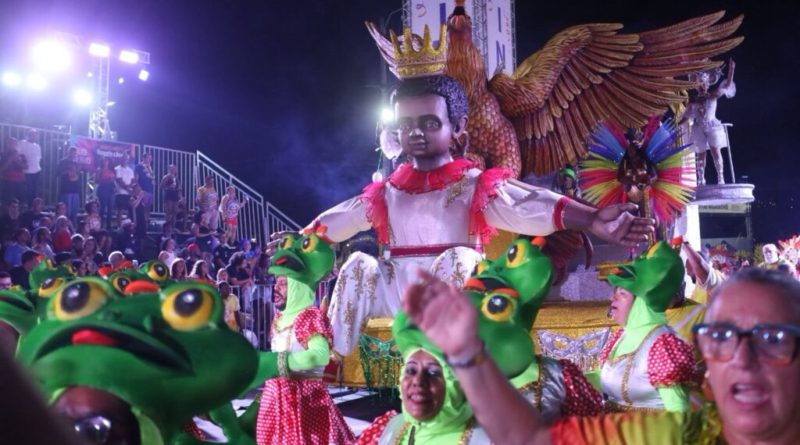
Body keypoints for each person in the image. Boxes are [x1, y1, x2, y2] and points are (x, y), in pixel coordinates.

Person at [298, 74, 653, 357]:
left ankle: (449, 362)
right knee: (358, 264)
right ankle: (331, 361)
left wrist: (591, 218)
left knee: (461, 258)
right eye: (406, 124)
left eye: (429, 123)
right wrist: (299, 241)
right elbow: (342, 218)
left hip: (452, 296)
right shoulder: (388, 192)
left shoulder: (471, 185)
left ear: (458, 127)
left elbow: (528, 202)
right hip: (396, 295)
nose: (415, 132)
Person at [402, 265, 800, 444]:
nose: (743, 359)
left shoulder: (661, 345)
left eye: (772, 338)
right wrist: (465, 351)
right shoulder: (681, 436)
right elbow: (530, 438)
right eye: (723, 337)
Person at [683, 60, 736, 185]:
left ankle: (720, 177)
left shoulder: (713, 95)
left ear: (707, 84)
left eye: (704, 83)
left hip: (712, 126)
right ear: (697, 86)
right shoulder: (693, 101)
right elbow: (686, 117)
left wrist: (731, 70)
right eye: (700, 84)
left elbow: (727, 86)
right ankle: (701, 179)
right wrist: (676, 125)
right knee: (701, 153)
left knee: (715, 151)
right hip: (698, 128)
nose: (702, 86)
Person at [16, 129, 41, 204]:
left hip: (36, 171)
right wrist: (21, 164)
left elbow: (39, 158)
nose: (33, 137)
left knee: (35, 191)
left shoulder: (37, 146)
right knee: (26, 191)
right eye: (31, 135)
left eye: (35, 135)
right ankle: (24, 207)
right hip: (26, 172)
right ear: (28, 135)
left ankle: (33, 207)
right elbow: (16, 155)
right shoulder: (22, 143)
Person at [57, 146, 81, 221]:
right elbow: (58, 173)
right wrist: (68, 171)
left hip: (75, 190)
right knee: (67, 211)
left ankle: (73, 225)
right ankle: (65, 225)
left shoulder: (76, 163)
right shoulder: (63, 161)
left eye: (75, 153)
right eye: (73, 153)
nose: (74, 154)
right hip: (66, 190)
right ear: (69, 152)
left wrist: (77, 171)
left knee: (74, 211)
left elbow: (77, 175)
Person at [0, 137, 26, 205]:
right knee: (6, 202)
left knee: (19, 201)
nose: (12, 145)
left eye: (14, 143)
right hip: (7, 181)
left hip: (19, 181)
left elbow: (26, 167)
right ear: (7, 144)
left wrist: (18, 161)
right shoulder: (2, 155)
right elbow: (1, 169)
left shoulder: (21, 155)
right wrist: (10, 159)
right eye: (10, 143)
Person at [134, 151, 154, 230]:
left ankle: (146, 224)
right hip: (142, 190)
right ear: (144, 158)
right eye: (148, 158)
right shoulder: (139, 167)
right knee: (141, 208)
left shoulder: (150, 168)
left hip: (149, 190)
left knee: (148, 208)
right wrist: (138, 188)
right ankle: (140, 224)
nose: (150, 160)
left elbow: (152, 178)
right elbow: (136, 179)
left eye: (150, 158)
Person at [95, 157, 117, 228]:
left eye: (106, 161)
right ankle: (100, 225)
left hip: (111, 190)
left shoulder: (112, 170)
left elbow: (114, 180)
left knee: (110, 208)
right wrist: (106, 179)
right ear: (102, 162)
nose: (105, 162)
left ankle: (108, 226)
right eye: (104, 161)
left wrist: (113, 182)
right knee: (102, 208)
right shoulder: (99, 170)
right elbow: (96, 181)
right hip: (103, 189)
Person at [114, 152, 135, 225]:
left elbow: (132, 181)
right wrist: (128, 189)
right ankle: (119, 226)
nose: (125, 160)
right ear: (121, 159)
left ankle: (130, 226)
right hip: (120, 192)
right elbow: (119, 181)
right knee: (120, 210)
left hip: (129, 193)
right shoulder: (117, 169)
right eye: (123, 158)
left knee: (130, 209)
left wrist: (131, 189)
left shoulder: (130, 170)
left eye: (126, 158)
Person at [161, 164, 180, 228]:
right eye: (172, 169)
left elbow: (179, 187)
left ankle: (173, 226)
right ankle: (167, 227)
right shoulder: (166, 176)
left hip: (175, 194)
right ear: (169, 169)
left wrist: (179, 193)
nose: (173, 170)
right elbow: (161, 186)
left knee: (175, 211)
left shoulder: (176, 178)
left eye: (174, 169)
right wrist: (168, 186)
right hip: (168, 194)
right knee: (169, 211)